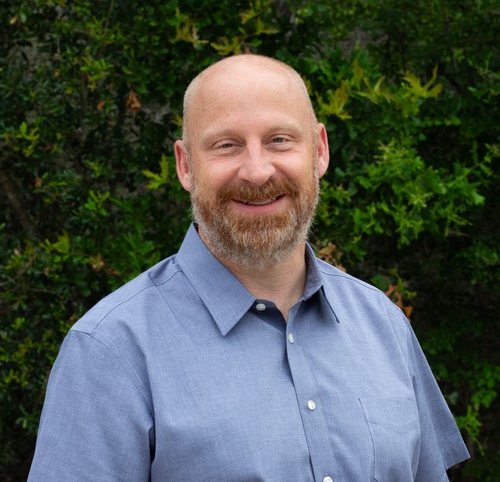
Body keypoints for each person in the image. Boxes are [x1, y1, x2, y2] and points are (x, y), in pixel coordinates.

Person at [28, 54, 469, 481]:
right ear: (185, 166)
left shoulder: (383, 324)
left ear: (319, 151)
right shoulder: (109, 352)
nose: (257, 172)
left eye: (279, 140)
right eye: (227, 145)